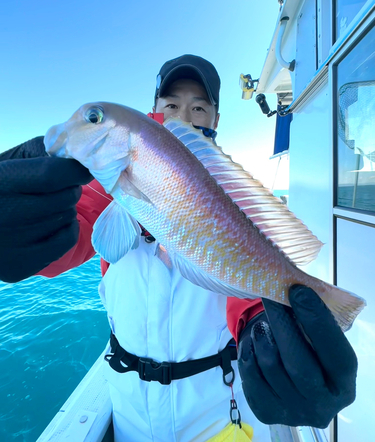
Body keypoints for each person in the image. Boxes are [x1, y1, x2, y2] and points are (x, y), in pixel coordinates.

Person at [0, 55, 358, 442]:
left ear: (216, 120)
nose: (184, 116)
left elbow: (245, 290)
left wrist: (263, 325)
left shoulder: (229, 193)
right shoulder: (105, 190)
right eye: (171, 105)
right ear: (154, 109)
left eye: (199, 107)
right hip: (130, 409)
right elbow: (72, 234)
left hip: (219, 408)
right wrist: (27, 226)